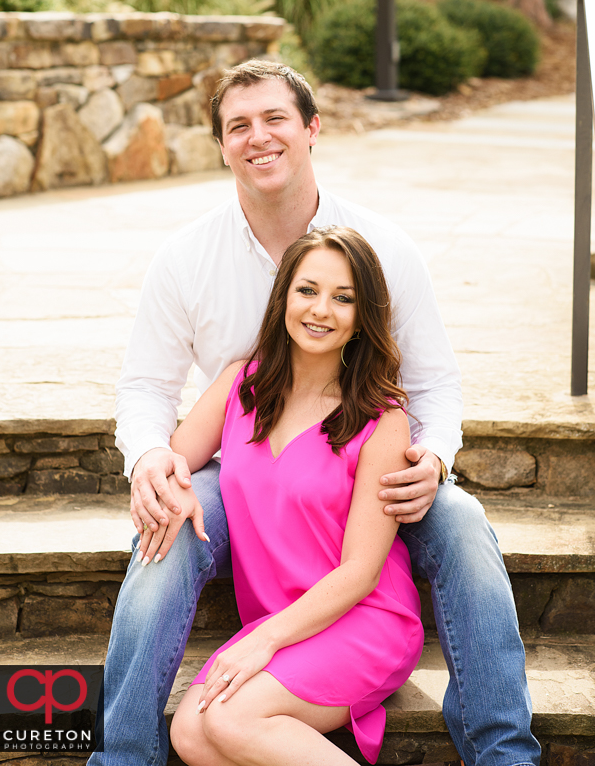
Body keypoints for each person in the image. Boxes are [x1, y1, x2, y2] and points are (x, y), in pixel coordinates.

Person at [90, 60, 539, 766]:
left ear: (311, 129)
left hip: (367, 469)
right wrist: (154, 459)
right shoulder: (189, 262)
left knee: (460, 519)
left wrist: (436, 458)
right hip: (246, 458)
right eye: (238, 125)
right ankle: (120, 756)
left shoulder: (381, 248)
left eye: (274, 118)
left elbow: (435, 385)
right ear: (220, 144)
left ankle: (503, 752)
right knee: (168, 520)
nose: (258, 137)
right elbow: (147, 388)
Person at [140, 226, 425, 766]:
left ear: (363, 316)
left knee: (228, 717)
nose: (322, 310)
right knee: (190, 733)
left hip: (363, 618)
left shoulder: (381, 418)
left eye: (344, 298)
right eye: (307, 290)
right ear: (283, 297)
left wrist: (265, 640)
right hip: (279, 618)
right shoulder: (240, 386)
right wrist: (169, 482)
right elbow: (172, 458)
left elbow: (361, 571)